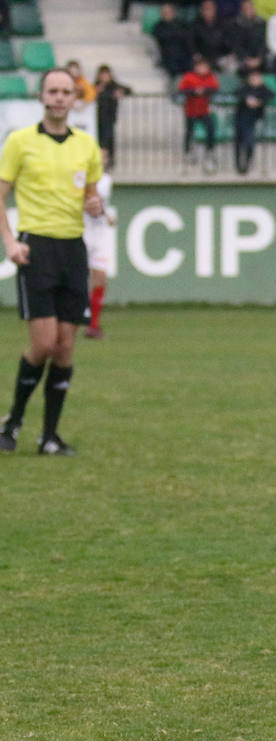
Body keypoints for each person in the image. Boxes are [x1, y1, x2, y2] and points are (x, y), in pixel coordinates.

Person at [0, 68, 104, 456]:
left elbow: (92, 199)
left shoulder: (86, 145)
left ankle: (49, 437)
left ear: (74, 98)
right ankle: (12, 422)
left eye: (66, 92)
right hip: (36, 247)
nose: (59, 97)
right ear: (42, 97)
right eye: (52, 91)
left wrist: (95, 205)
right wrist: (10, 240)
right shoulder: (20, 142)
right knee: (42, 344)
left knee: (64, 348)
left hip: (72, 250)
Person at [83, 149, 114, 340]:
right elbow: (95, 201)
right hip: (81, 232)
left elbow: (102, 204)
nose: (102, 160)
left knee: (100, 277)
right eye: (99, 156)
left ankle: (93, 325)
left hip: (100, 234)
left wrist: (108, 215)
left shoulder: (107, 180)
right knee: (78, 279)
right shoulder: (83, 179)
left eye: (105, 157)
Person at [178, 55, 220, 172]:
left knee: (210, 129)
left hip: (204, 110)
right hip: (191, 110)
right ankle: (187, 151)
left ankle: (209, 151)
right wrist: (194, 92)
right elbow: (182, 89)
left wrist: (204, 91)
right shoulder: (189, 77)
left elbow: (215, 88)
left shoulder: (210, 77)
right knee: (189, 131)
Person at [233, 66, 272, 174]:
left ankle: (248, 162)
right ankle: (239, 165)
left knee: (249, 142)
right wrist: (247, 99)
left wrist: (258, 102)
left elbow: (269, 95)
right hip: (240, 119)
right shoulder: (245, 88)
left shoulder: (263, 89)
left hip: (253, 120)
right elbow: (237, 93)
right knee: (239, 142)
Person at [94, 65, 132, 170]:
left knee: (109, 139)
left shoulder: (114, 86)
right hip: (97, 117)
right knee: (99, 139)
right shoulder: (96, 86)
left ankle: (109, 160)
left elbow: (128, 89)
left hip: (110, 117)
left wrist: (121, 92)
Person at [152, 3, 195, 79]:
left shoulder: (182, 25)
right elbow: (159, 44)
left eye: (168, 12)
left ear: (173, 12)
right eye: (163, 12)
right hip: (168, 58)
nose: (165, 14)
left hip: (183, 58)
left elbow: (188, 43)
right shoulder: (158, 27)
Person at [227, 0, 269, 73]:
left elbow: (264, 43)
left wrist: (259, 58)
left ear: (254, 9)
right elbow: (236, 45)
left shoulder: (262, 23)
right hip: (242, 59)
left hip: (260, 58)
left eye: (250, 8)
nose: (247, 10)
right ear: (241, 10)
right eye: (245, 8)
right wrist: (246, 59)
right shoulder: (235, 25)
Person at [191, 0, 233, 69]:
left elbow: (230, 42)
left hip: (221, 57)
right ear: (202, 10)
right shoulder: (196, 24)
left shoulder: (224, 23)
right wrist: (195, 54)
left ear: (215, 9)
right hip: (203, 58)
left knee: (232, 65)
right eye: (205, 8)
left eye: (210, 8)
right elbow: (191, 42)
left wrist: (228, 54)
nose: (208, 11)